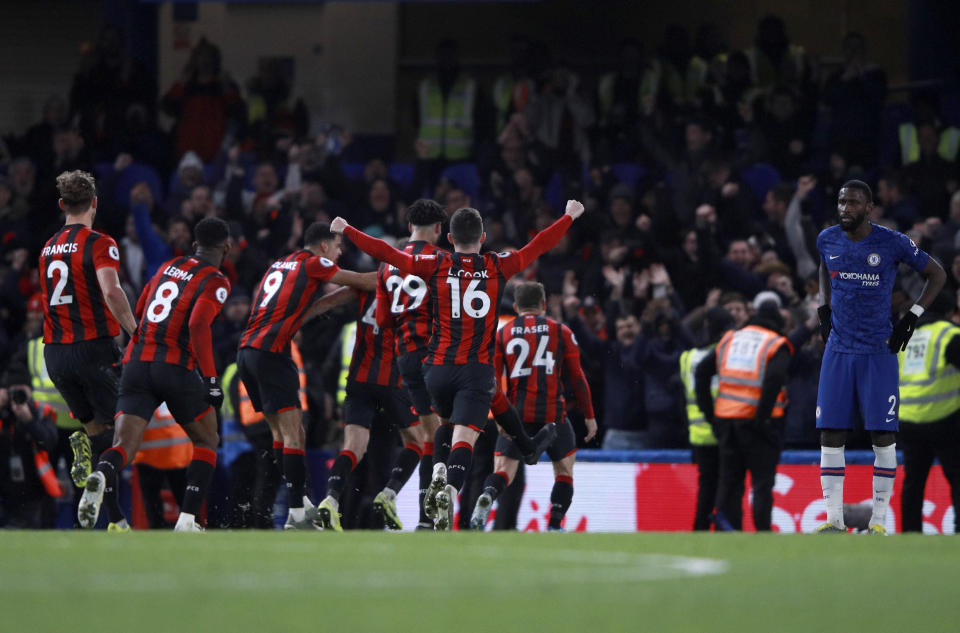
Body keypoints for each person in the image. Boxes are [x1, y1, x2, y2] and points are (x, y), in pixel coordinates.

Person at [330, 199, 584, 530]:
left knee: (441, 428)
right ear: (482, 238)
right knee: (465, 439)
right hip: (474, 370)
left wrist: (347, 229)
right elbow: (540, 244)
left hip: (436, 370)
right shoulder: (498, 265)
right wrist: (568, 217)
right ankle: (449, 488)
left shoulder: (435, 264)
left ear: (449, 238)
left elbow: (385, 253)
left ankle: (444, 468)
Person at [78, 217, 233, 532]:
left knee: (123, 446)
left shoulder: (167, 267)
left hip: (137, 362)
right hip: (174, 365)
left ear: (194, 246)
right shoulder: (216, 281)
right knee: (207, 438)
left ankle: (102, 473)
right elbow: (198, 325)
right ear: (226, 249)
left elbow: (141, 309)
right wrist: (212, 380)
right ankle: (188, 520)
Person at [815, 180, 946, 534]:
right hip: (838, 351)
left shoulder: (892, 243)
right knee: (830, 433)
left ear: (869, 207)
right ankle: (833, 520)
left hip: (878, 351)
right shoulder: (827, 239)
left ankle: (878, 521)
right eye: (841, 201)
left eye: (853, 203)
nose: (845, 208)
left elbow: (937, 274)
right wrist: (823, 308)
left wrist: (912, 316)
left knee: (882, 436)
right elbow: (824, 269)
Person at [237, 221, 375, 530]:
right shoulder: (316, 262)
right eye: (338, 247)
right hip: (273, 353)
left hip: (247, 351)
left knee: (280, 436)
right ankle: (297, 513)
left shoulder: (283, 263)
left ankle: (299, 503)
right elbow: (362, 280)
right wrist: (399, 272)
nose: (340, 253)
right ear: (324, 245)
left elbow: (320, 302)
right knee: (294, 435)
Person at [37, 171, 137, 496]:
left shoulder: (47, 249)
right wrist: (136, 331)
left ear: (61, 204)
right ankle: (89, 448)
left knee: (98, 432)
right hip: (92, 349)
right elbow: (112, 292)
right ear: (95, 203)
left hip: (54, 353)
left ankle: (112, 520)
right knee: (125, 432)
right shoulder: (100, 243)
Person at [469, 282, 597, 531]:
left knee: (504, 470)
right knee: (564, 471)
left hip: (516, 414)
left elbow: (492, 383)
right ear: (544, 305)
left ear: (516, 307)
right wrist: (589, 416)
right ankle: (555, 524)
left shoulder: (502, 334)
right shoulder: (561, 331)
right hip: (554, 414)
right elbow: (578, 379)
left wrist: (498, 416)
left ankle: (488, 495)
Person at [315, 289, 426, 532]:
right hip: (392, 385)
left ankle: (331, 499)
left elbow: (329, 367)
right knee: (417, 442)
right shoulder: (415, 291)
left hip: (357, 382)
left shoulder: (366, 285)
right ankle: (389, 494)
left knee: (352, 448)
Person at [373, 199, 447, 530]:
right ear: (438, 229)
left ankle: (427, 520)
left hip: (405, 357)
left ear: (408, 228)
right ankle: (429, 518)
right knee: (442, 437)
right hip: (438, 355)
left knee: (429, 437)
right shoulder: (444, 260)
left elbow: (383, 319)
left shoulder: (387, 265)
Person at [695, 301, 794, 531]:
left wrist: (711, 416)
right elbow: (773, 381)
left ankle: (728, 532)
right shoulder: (775, 343)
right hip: (759, 426)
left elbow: (701, 372)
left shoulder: (731, 339)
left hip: (727, 422)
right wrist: (762, 419)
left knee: (729, 482)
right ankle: (761, 534)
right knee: (761, 485)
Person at [896, 292, 960, 533]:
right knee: (956, 477)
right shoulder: (949, 334)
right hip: (944, 418)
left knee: (913, 482)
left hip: (909, 420)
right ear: (948, 312)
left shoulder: (907, 334)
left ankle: (910, 533)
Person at [679, 306, 733, 530]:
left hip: (698, 434)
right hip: (723, 428)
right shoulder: (725, 354)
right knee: (726, 486)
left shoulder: (687, 357)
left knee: (706, 486)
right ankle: (722, 528)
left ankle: (700, 529)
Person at [0, 374, 61, 528]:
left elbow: (49, 443)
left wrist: (29, 421)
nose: (19, 398)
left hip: (36, 490)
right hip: (6, 490)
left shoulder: (40, 411)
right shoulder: (4, 413)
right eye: (14, 392)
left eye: (23, 392)